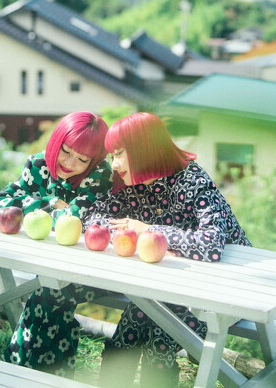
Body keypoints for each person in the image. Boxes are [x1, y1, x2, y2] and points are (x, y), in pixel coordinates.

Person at [84, 112, 251, 388]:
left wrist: (149, 230)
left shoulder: (193, 179)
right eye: (112, 156)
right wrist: (125, 233)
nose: (114, 164)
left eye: (119, 154)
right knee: (129, 329)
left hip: (220, 291)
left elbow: (211, 245)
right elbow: (94, 217)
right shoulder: (131, 184)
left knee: (158, 340)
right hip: (169, 288)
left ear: (144, 149)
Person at [0, 111, 113, 376]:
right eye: (66, 151)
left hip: (89, 267)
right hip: (42, 263)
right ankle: (45, 375)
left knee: (48, 295)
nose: (69, 163)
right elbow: (0, 202)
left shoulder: (99, 175)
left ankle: (19, 372)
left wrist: (33, 209)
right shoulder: (37, 165)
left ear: (93, 161)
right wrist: (50, 203)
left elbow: (75, 220)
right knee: (48, 295)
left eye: (81, 159)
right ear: (56, 141)